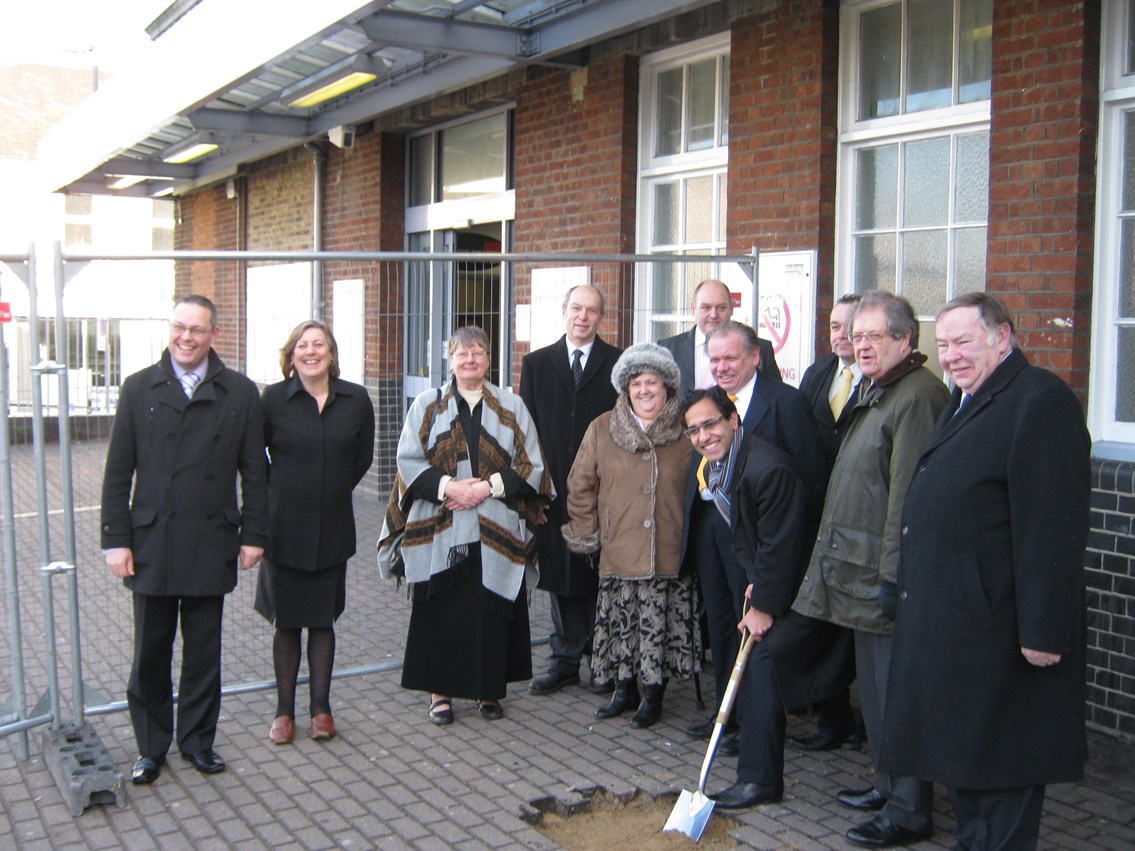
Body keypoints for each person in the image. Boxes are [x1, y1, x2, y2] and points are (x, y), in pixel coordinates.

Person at [878, 293, 1090, 850]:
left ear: (1003, 337)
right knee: (970, 775)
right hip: (961, 634)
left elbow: (1053, 526)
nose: (950, 356)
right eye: (942, 344)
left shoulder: (1039, 400)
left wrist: (1044, 633)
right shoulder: (968, 396)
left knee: (1002, 780)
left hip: (1003, 636)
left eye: (963, 342)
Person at [793, 289, 948, 848]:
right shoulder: (878, 388)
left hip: (885, 578)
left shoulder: (918, 397)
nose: (860, 345)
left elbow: (909, 496)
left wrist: (892, 576)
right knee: (878, 697)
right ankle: (887, 785)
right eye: (856, 336)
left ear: (906, 340)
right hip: (856, 571)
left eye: (873, 336)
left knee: (897, 693)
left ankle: (909, 810)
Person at [101, 294, 268, 785]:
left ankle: (197, 742)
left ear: (214, 334)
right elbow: (117, 473)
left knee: (203, 651)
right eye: (179, 327)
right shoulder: (138, 389)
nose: (186, 338)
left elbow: (254, 474)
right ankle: (150, 748)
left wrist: (253, 534)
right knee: (150, 652)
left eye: (197, 329)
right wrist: (116, 539)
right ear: (169, 329)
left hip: (210, 536)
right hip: (152, 540)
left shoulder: (239, 392)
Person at [377, 326, 552, 725]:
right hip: (441, 524)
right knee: (443, 613)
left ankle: (487, 691)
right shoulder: (426, 404)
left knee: (492, 610)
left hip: (497, 526)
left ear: (489, 360)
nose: (470, 360)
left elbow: (532, 464)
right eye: (462, 353)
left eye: (478, 353)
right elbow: (408, 462)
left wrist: (486, 488)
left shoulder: (511, 405)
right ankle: (441, 694)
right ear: (450, 360)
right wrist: (449, 487)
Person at [681, 320, 827, 750]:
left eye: (731, 358)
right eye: (715, 359)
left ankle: (757, 716)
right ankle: (728, 715)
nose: (722, 367)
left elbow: (809, 477)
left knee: (755, 626)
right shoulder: (708, 403)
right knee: (724, 621)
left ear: (755, 357)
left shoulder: (785, 403)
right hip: (715, 528)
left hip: (765, 538)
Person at [681, 387, 808, 809]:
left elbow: (783, 544)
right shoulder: (724, 465)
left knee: (760, 672)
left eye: (710, 423)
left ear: (733, 420)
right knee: (757, 671)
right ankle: (759, 777)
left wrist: (764, 604)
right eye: (694, 430)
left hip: (792, 587)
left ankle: (759, 780)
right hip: (768, 579)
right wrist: (755, 580)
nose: (703, 436)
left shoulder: (767, 468)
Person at [562, 343, 698, 729]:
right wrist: (588, 533)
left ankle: (654, 694)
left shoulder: (686, 429)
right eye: (636, 383)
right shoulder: (603, 427)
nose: (644, 390)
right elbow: (581, 484)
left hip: (669, 551)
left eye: (651, 382)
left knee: (659, 623)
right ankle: (624, 689)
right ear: (625, 388)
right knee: (622, 623)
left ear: (667, 387)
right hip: (618, 547)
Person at [256, 320, 375, 745]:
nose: (311, 352)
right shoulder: (273, 399)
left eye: (318, 345)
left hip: (332, 526)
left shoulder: (356, 399)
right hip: (283, 527)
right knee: (287, 624)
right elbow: (256, 459)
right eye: (302, 346)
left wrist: (332, 488)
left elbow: (361, 457)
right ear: (291, 355)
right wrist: (279, 492)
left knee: (323, 622)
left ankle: (321, 710)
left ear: (331, 353)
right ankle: (284, 713)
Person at [520, 285, 621, 696]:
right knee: (559, 576)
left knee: (596, 574)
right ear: (563, 312)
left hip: (601, 491)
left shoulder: (616, 363)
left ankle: (601, 658)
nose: (583, 316)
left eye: (592, 310)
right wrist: (533, 493)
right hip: (553, 491)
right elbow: (525, 433)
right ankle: (563, 660)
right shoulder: (536, 364)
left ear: (601, 317)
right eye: (576, 308)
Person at [790, 293, 864, 752]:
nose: (839, 335)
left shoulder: (881, 382)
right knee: (821, 620)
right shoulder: (819, 373)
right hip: (816, 518)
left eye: (849, 327)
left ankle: (859, 721)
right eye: (835, 326)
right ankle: (832, 718)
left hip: (857, 522)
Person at [659, 278, 780, 396]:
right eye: (706, 307)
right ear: (693, 309)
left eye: (721, 307)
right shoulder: (667, 349)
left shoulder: (760, 349)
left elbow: (776, 398)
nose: (713, 315)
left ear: (731, 309)